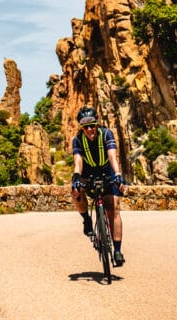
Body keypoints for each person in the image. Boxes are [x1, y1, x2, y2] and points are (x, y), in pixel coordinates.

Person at [70, 105, 127, 266]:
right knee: (76, 190)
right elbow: (78, 162)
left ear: (97, 123)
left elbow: (112, 157)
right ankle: (86, 219)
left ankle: (117, 251)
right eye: (85, 126)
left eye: (92, 125)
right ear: (81, 127)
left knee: (113, 207)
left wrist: (117, 174)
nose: (89, 129)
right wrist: (76, 177)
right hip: (88, 174)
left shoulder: (106, 134)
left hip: (106, 172)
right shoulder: (78, 140)